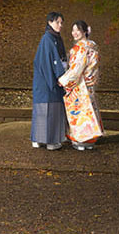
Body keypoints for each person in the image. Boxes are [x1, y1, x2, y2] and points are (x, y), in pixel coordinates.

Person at [58, 20, 103, 151]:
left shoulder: (81, 48)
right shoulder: (93, 46)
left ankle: (81, 140)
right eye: (73, 30)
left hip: (80, 84)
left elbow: (76, 70)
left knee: (80, 113)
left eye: (78, 30)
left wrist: (63, 80)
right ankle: (90, 140)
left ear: (84, 31)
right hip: (89, 84)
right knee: (90, 110)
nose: (75, 33)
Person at [31, 12, 68, 150]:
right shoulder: (48, 39)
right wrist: (60, 76)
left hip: (46, 79)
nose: (60, 25)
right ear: (50, 22)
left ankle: (38, 140)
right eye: (57, 22)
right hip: (48, 79)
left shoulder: (55, 38)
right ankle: (50, 142)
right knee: (49, 109)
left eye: (61, 23)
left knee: (44, 109)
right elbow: (52, 61)